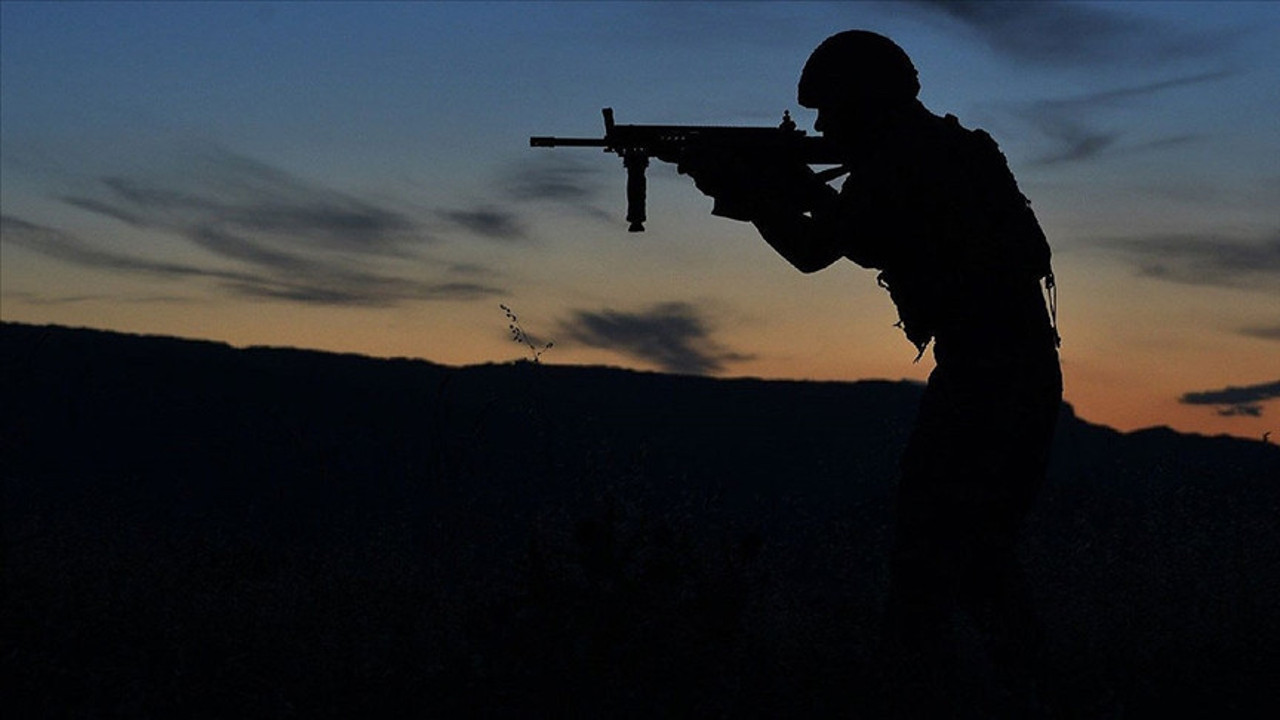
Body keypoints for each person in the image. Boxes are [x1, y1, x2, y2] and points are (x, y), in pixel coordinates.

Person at [674, 30, 1063, 716]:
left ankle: (937, 691)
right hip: (1008, 369)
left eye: (831, 110)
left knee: (933, 555)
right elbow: (862, 229)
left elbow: (815, 249)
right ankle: (1021, 689)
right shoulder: (937, 150)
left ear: (867, 102)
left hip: (990, 374)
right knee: (973, 557)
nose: (823, 127)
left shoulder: (907, 160)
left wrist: (749, 193)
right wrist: (775, 188)